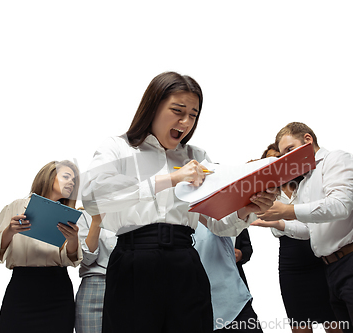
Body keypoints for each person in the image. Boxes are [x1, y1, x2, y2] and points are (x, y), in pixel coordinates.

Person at [81, 71, 278, 333]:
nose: (186, 122)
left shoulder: (196, 156)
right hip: (133, 261)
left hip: (185, 262)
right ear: (153, 106)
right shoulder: (119, 148)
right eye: (178, 111)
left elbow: (219, 225)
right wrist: (170, 179)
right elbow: (95, 198)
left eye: (193, 115)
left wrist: (245, 210)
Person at [258, 122, 353, 333]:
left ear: (308, 139)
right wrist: (279, 223)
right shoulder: (305, 183)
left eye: (290, 149)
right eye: (284, 154)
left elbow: (340, 206)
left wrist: (287, 211)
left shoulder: (337, 159)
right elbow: (310, 229)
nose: (287, 158)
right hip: (332, 270)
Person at [0, 160, 83, 333]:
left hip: (57, 292)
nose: (71, 182)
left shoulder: (69, 216)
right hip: (22, 289)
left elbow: (72, 260)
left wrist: (72, 240)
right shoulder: (16, 207)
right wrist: (9, 232)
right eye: (66, 176)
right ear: (49, 177)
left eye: (74, 180)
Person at [252, 144, 341, 333]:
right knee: (300, 325)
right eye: (270, 159)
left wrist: (281, 222)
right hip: (291, 264)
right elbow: (278, 231)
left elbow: (314, 225)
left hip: (321, 259)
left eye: (280, 157)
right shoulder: (267, 193)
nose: (276, 162)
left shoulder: (307, 183)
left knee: (334, 322)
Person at [194, 222, 263, 332]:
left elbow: (246, 248)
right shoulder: (182, 220)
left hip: (233, 298)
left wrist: (240, 254)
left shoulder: (231, 217)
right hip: (199, 299)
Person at [75, 210, 117, 333]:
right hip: (94, 286)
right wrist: (96, 222)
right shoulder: (84, 215)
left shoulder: (134, 212)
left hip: (126, 283)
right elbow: (86, 259)